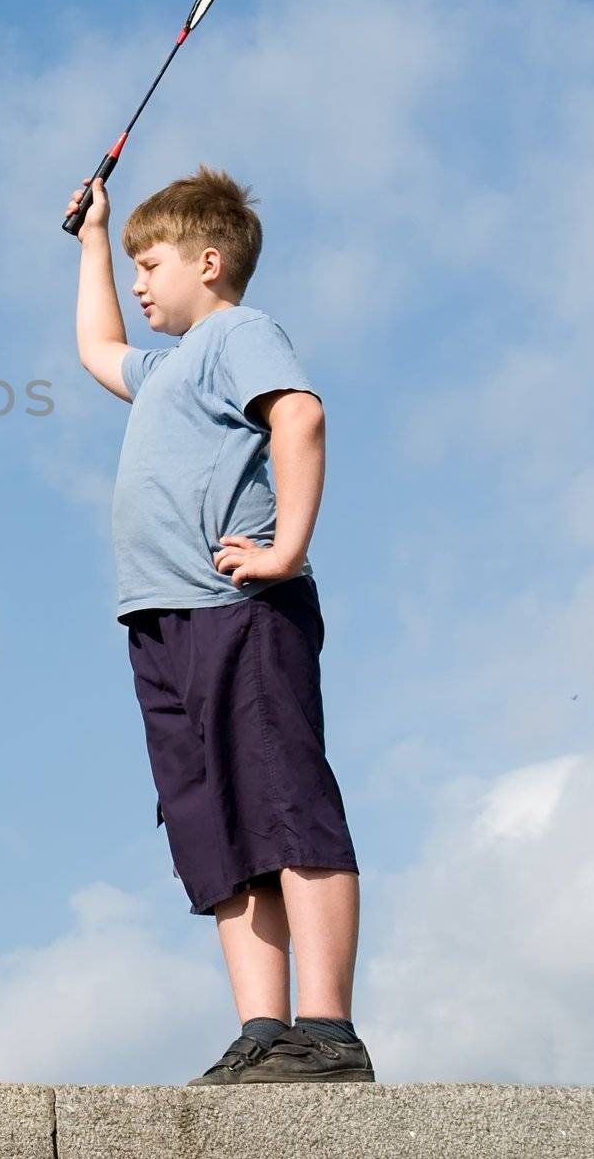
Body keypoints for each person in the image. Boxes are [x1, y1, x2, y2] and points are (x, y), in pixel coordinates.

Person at [68, 165, 372, 1085]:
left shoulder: (239, 333)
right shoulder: (164, 369)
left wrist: (284, 550)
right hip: (161, 625)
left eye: (148, 265)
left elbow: (301, 416)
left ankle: (326, 1033)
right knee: (214, 828)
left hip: (240, 610)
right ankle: (263, 1033)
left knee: (285, 805)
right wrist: (94, 240)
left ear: (208, 262)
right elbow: (95, 350)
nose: (137, 284)